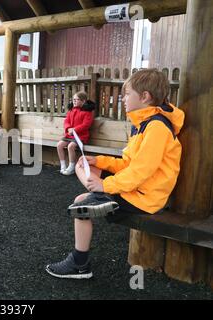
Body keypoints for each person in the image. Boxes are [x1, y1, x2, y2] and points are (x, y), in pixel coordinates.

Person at [45, 69, 185, 279]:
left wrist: (106, 185)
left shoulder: (156, 127)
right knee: (87, 167)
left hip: (146, 197)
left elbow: (141, 170)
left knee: (81, 205)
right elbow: (129, 163)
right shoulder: (144, 124)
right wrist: (99, 161)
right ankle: (98, 196)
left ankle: (80, 263)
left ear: (145, 97)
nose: (123, 98)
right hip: (138, 189)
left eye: (127, 94)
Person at [56, 91, 94, 175]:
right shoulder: (71, 110)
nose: (74, 101)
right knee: (59, 145)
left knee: (71, 146)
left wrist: (74, 130)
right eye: (73, 99)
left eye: (77, 99)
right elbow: (66, 121)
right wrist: (68, 128)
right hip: (69, 135)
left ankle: (71, 167)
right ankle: (63, 166)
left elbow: (86, 125)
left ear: (83, 101)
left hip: (80, 136)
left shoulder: (87, 112)